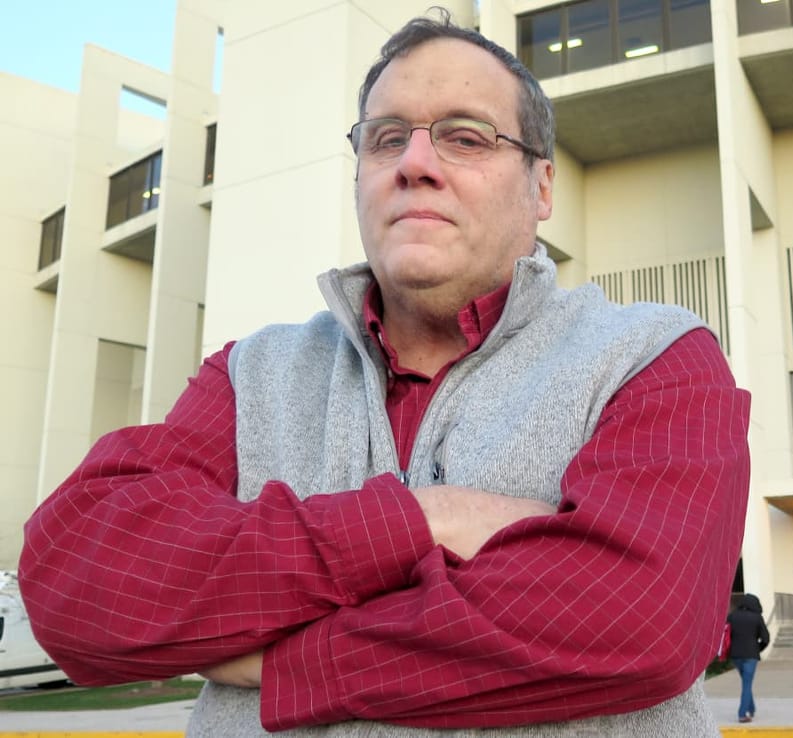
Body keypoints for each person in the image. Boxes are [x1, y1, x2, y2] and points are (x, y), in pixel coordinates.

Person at [18, 10, 751, 737]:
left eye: (466, 137)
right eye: (386, 138)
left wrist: (288, 664)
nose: (414, 163)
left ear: (543, 188)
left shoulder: (654, 357)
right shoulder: (252, 375)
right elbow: (79, 586)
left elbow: (640, 618)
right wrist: (425, 519)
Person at [726, 593, 769, 724]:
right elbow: (766, 638)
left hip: (736, 656)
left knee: (746, 682)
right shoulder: (757, 618)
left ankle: (751, 708)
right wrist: (758, 649)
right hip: (751, 656)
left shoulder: (732, 616)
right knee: (747, 683)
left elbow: (727, 635)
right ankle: (742, 714)